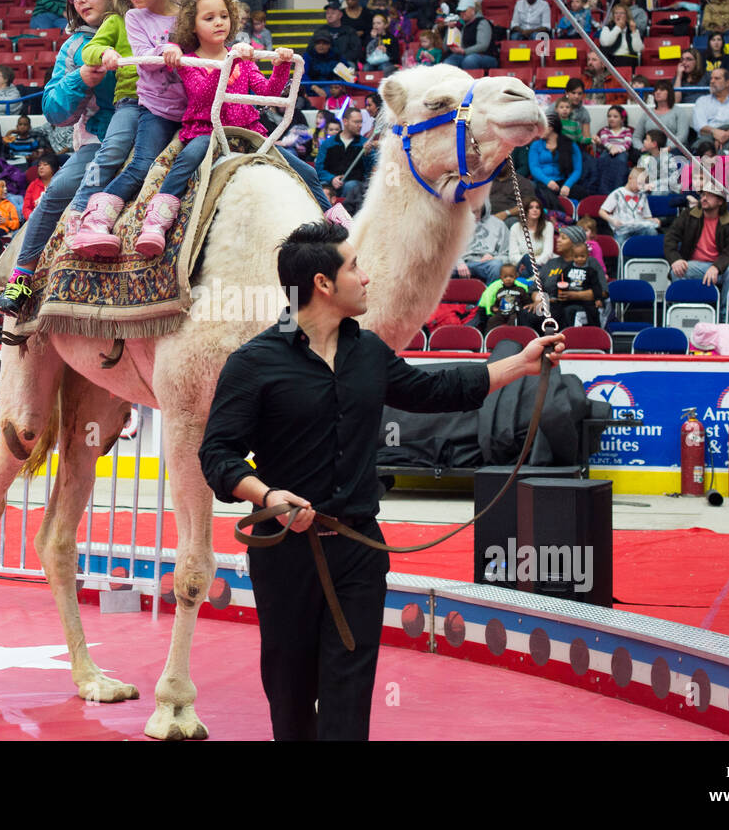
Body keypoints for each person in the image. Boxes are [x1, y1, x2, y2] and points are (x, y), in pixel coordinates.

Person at [198, 221, 564, 741]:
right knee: (290, 690)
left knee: (350, 691)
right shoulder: (253, 362)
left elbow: (434, 390)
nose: (366, 278)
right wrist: (268, 496)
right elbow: (217, 454)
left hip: (358, 548)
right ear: (323, 284)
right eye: (354, 267)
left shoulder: (367, 352)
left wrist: (518, 365)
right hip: (284, 553)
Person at [155, 0, 346, 258]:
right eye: (209, 18)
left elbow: (267, 93)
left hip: (249, 133)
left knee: (306, 170)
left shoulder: (242, 59)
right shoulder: (190, 62)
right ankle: (159, 217)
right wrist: (230, 63)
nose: (219, 22)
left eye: (223, 16)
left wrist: (281, 65)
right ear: (192, 26)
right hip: (207, 130)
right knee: (188, 159)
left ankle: (332, 217)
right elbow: (203, 96)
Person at [0, 0, 120, 318]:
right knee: (55, 194)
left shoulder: (139, 30)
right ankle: (20, 281)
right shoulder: (73, 47)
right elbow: (54, 111)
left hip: (155, 133)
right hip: (98, 143)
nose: (81, 0)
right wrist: (81, 78)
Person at [70, 0, 191, 259]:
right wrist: (106, 54)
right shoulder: (125, 20)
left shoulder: (189, 13)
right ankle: (84, 213)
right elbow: (93, 51)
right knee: (116, 150)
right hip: (136, 101)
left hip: (191, 104)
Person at [664, 184, 729, 311]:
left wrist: (716, 266)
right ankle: (681, 311)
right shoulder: (689, 215)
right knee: (677, 270)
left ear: (720, 201)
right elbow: (670, 238)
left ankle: (725, 315)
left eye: (709, 195)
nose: (704, 198)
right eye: (703, 194)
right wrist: (675, 259)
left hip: (719, 267)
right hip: (693, 265)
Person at [692, 69, 729, 155]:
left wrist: (725, 135)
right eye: (711, 78)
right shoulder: (702, 101)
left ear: (728, 83)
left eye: (717, 78)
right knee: (694, 161)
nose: (712, 81)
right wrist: (715, 132)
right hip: (707, 138)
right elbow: (699, 125)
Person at [600, 165, 660, 249]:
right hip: (623, 230)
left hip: (639, 228)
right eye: (638, 183)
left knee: (652, 232)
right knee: (620, 242)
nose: (640, 187)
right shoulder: (617, 193)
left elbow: (647, 217)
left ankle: (649, 258)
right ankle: (624, 261)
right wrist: (612, 220)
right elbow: (602, 211)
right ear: (630, 178)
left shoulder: (642, 196)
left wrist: (653, 220)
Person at [528, 114, 582, 200]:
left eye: (541, 127)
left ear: (550, 128)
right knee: (545, 194)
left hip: (562, 182)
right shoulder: (536, 145)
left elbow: (577, 170)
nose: (538, 131)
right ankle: (556, 213)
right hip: (543, 182)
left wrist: (567, 185)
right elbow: (534, 168)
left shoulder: (570, 144)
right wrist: (548, 181)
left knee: (582, 192)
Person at [441, 0, 496, 70]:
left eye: (464, 11)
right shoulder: (459, 25)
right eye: (460, 11)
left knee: (469, 60)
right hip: (464, 56)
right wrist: (450, 29)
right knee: (448, 63)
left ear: (473, 10)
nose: (462, 13)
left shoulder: (482, 22)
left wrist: (464, 51)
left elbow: (483, 46)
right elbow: (445, 47)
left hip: (485, 56)